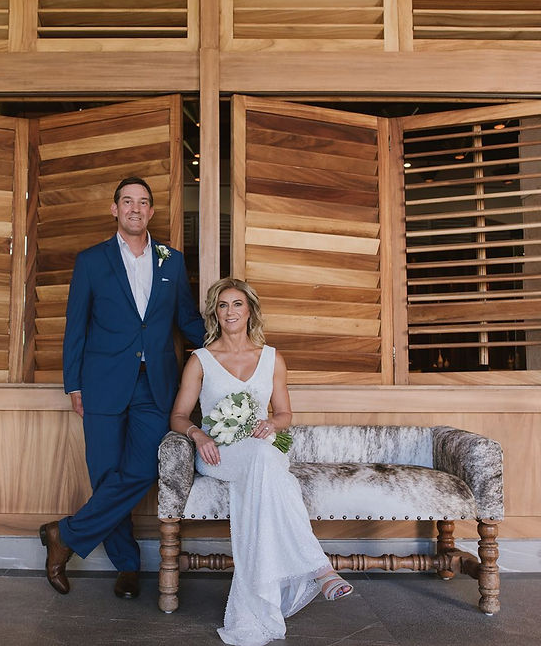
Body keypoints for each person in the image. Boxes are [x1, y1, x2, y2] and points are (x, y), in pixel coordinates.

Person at [39, 177, 205, 600]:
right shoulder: (91, 261)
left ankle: (65, 535)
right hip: (101, 385)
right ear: (114, 210)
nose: (135, 208)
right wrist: (73, 383)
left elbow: (186, 321)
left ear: (151, 212)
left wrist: (230, 345)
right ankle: (127, 565)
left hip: (156, 385)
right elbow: (76, 326)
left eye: (143, 202)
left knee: (145, 468)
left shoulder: (171, 261)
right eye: (127, 201)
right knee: (106, 476)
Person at [169, 277, 352, 646]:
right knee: (268, 464)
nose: (230, 312)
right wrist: (199, 435)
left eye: (237, 304)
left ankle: (264, 603)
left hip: (263, 449)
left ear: (249, 309)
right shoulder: (200, 360)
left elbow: (285, 414)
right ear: (214, 314)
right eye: (223, 305)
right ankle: (320, 568)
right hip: (218, 455)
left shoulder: (272, 358)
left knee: (268, 462)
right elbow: (178, 415)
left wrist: (271, 422)